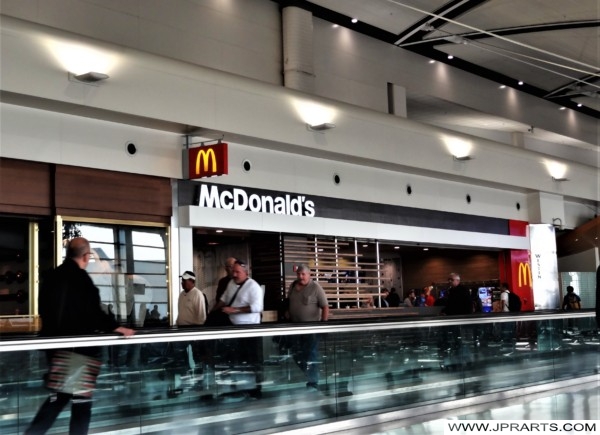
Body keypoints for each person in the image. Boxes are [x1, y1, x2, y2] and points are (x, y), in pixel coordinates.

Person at [26, 237, 134, 435]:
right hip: (79, 353)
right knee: (79, 404)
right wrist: (117, 327)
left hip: (56, 349)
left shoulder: (51, 276)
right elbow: (94, 313)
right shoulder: (82, 280)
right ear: (86, 256)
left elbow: (45, 310)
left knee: (59, 398)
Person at [211, 260, 264, 397]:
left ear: (246, 273)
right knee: (237, 360)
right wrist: (213, 312)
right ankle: (240, 388)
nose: (234, 274)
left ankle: (256, 390)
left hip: (250, 330)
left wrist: (235, 310)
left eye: (237, 272)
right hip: (234, 328)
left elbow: (257, 308)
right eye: (233, 271)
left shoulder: (253, 287)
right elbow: (223, 299)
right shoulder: (231, 283)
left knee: (252, 360)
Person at [286, 265, 329, 390]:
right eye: (298, 274)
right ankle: (309, 374)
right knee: (296, 354)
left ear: (309, 274)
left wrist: (323, 325)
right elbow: (289, 301)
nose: (300, 277)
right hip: (295, 328)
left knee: (311, 354)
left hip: (312, 328)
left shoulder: (316, 288)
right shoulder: (293, 286)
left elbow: (325, 307)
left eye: (303, 274)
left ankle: (313, 381)